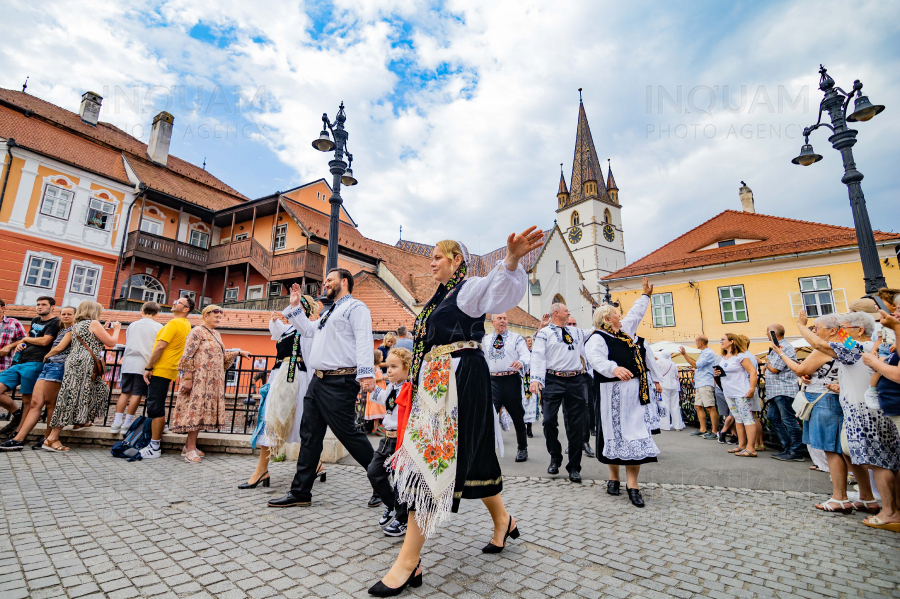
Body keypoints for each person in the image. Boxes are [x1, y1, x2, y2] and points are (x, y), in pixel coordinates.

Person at [372, 228, 542, 596]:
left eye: (437, 257)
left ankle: (408, 561)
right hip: (438, 382)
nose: (431, 263)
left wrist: (511, 261)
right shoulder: (439, 297)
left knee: (429, 462)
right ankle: (503, 520)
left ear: (456, 261)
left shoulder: (468, 289)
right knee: (474, 457)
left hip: (458, 379)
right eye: (430, 258)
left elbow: (501, 290)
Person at [268, 268, 378, 509]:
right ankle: (300, 492)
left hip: (340, 380)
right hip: (318, 381)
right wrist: (296, 306)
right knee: (310, 436)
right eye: (325, 280)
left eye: (329, 280)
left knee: (349, 435)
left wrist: (366, 374)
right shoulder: (330, 313)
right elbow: (307, 330)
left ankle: (383, 483)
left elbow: (363, 339)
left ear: (345, 282)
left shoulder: (356, 308)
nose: (325, 283)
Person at [786, 311, 900, 521]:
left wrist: (801, 326)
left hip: (864, 413)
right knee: (874, 459)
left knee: (879, 464)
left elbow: (821, 345)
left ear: (859, 330)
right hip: (869, 410)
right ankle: (880, 503)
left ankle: (890, 512)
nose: (840, 332)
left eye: (843, 328)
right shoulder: (864, 346)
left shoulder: (856, 348)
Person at [771, 313, 862, 513]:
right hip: (834, 397)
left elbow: (799, 368)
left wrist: (781, 353)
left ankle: (840, 497)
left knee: (832, 449)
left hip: (824, 400)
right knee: (844, 451)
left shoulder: (828, 347)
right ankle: (866, 495)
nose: (813, 331)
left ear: (832, 330)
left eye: (816, 327)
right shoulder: (847, 344)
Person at [586, 278, 659, 508]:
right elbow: (596, 360)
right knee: (614, 434)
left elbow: (636, 314)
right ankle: (613, 477)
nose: (620, 315)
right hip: (612, 393)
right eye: (616, 313)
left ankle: (633, 485)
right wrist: (613, 368)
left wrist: (645, 296)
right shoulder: (597, 337)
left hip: (635, 392)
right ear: (607, 319)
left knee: (635, 434)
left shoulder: (625, 333)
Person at [245, 300, 323, 489]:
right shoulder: (289, 330)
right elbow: (277, 331)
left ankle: (317, 464)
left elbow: (312, 351)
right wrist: (274, 321)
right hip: (280, 375)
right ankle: (262, 469)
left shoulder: (311, 327)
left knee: (302, 422)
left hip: (298, 377)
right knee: (271, 419)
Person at [171, 305, 249, 462]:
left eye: (220, 317)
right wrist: (187, 378)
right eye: (216, 317)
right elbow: (187, 355)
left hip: (212, 381)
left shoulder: (216, 333)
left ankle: (188, 446)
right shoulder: (196, 332)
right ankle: (190, 450)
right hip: (199, 379)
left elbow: (219, 355)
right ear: (206, 315)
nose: (219, 319)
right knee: (196, 412)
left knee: (202, 412)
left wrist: (238, 352)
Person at [42, 302, 121, 451]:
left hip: (75, 361)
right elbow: (111, 342)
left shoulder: (77, 325)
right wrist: (117, 329)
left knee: (99, 390)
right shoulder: (93, 323)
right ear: (93, 311)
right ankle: (52, 438)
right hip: (84, 363)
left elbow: (63, 346)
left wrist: (47, 356)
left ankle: (82, 420)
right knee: (71, 397)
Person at [0, 306, 75, 451]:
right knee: (36, 403)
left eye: (69, 314)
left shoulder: (74, 329)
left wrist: (46, 355)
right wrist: (23, 343)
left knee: (50, 404)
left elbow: (55, 346)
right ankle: (18, 439)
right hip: (48, 366)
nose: (65, 316)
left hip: (57, 367)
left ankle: (47, 439)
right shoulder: (60, 329)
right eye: (63, 313)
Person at [530, 303, 588, 483]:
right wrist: (535, 379)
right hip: (553, 379)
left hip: (575, 380)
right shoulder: (545, 333)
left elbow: (595, 329)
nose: (569, 312)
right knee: (548, 421)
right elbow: (538, 355)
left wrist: (605, 310)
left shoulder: (576, 332)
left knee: (576, 424)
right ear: (556, 313)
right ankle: (555, 457)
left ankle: (574, 467)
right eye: (566, 310)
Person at [139, 296, 195, 459]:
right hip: (170, 369)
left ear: (186, 309)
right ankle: (154, 442)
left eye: (179, 302)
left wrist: (149, 366)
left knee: (154, 406)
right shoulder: (186, 325)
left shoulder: (175, 323)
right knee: (157, 405)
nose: (174, 302)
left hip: (161, 367)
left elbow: (161, 346)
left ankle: (154, 446)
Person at [366, 347, 413, 537]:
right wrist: (373, 388)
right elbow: (387, 401)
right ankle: (391, 504)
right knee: (374, 472)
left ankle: (403, 520)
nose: (389, 371)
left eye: (394, 367)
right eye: (388, 367)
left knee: (401, 481)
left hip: (402, 440)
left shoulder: (410, 388)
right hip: (387, 439)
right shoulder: (392, 386)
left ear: (407, 369)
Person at [0, 296, 60, 437]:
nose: (39, 307)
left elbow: (45, 341)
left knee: (28, 399)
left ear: (52, 307)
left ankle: (18, 433)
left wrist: (25, 339)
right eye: (38, 304)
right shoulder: (35, 320)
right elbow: (31, 338)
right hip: (20, 362)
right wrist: (21, 344)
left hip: (36, 363)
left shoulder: (55, 322)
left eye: (43, 304)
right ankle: (17, 414)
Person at [863, 308, 900, 531]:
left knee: (879, 459)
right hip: (879, 407)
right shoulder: (873, 344)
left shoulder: (864, 346)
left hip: (867, 410)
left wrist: (836, 330)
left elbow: (826, 345)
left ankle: (887, 507)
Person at [483, 312, 531, 462]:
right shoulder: (486, 339)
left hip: (511, 380)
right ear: (492, 321)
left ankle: (522, 448)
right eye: (499, 319)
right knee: (489, 415)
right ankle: (487, 449)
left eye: (505, 319)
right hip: (493, 381)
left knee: (517, 415)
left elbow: (525, 355)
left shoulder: (516, 338)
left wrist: (521, 362)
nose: (502, 321)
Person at [112, 302, 162, 434]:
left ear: (142, 311)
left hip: (129, 361)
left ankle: (116, 422)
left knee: (124, 392)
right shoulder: (158, 327)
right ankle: (127, 423)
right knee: (137, 393)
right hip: (144, 362)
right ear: (157, 314)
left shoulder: (132, 325)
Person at [764, 324, 802, 461]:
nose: (766, 334)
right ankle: (787, 447)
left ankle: (796, 451)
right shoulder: (776, 348)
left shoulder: (784, 347)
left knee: (789, 420)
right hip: (775, 390)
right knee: (773, 417)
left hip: (784, 389)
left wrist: (766, 364)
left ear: (772, 333)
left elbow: (775, 369)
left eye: (767, 332)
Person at [718, 333, 759, 457]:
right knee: (738, 417)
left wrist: (752, 388)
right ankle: (741, 445)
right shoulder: (724, 357)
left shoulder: (740, 356)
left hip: (741, 392)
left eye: (723, 339)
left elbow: (753, 372)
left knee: (747, 418)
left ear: (732, 341)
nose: (721, 341)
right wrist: (718, 372)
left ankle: (751, 448)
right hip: (729, 392)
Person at [679, 336, 719, 439]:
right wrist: (695, 370)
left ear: (700, 342)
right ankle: (703, 429)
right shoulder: (703, 353)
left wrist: (685, 355)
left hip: (706, 382)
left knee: (710, 407)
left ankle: (714, 431)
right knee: (698, 406)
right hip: (700, 382)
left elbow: (696, 365)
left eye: (696, 342)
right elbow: (700, 367)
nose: (696, 343)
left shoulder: (708, 353)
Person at [655, 350, 684, 431]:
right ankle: (678, 426)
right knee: (675, 406)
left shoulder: (658, 363)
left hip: (663, 385)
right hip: (673, 386)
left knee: (664, 405)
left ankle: (665, 425)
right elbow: (676, 376)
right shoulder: (673, 364)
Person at [365, 350, 388, 438]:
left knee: (380, 407)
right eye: (381, 356)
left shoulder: (377, 367)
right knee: (377, 408)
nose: (383, 357)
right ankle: (375, 428)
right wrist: (383, 378)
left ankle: (378, 427)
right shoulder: (374, 367)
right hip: (376, 390)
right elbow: (373, 379)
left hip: (380, 388)